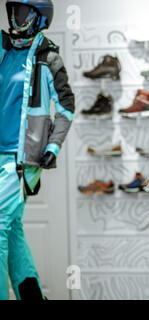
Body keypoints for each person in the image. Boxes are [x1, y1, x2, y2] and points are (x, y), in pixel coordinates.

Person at [0, 0, 74, 300]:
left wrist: (53, 146)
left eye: (22, 12)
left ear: (38, 18)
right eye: (13, 11)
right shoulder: (4, 50)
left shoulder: (48, 58)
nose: (15, 17)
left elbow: (66, 108)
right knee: (13, 227)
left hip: (21, 159)